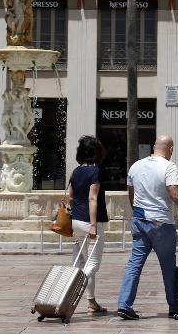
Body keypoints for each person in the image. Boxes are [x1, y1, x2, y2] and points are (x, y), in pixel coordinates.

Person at [117, 135, 178, 320]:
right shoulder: (168, 166)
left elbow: (131, 195)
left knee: (134, 264)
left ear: (153, 147)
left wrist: (139, 214)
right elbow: (175, 195)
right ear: (171, 149)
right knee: (168, 266)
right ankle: (174, 306)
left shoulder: (135, 166)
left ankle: (124, 304)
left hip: (139, 221)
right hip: (160, 224)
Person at [69, 135, 109, 315]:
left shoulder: (76, 171)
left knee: (82, 261)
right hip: (91, 222)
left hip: (76, 221)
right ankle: (71, 287)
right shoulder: (95, 171)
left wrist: (76, 212)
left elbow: (70, 196)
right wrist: (93, 224)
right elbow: (93, 198)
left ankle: (91, 301)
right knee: (92, 264)